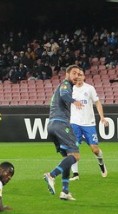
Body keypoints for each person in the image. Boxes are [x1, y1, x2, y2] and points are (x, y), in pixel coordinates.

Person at [43, 64, 83, 201]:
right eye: (74, 73)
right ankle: (52, 175)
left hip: (52, 125)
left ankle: (65, 191)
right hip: (61, 124)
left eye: (78, 74)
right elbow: (64, 94)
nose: (77, 76)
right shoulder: (65, 84)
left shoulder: (65, 85)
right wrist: (74, 101)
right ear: (67, 74)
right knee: (76, 156)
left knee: (68, 158)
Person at [69, 69, 108, 181]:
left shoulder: (89, 88)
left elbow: (97, 102)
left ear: (84, 77)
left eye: (81, 74)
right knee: (73, 149)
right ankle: (75, 174)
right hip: (75, 123)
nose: (79, 77)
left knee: (95, 149)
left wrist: (102, 117)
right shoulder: (71, 89)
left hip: (88, 123)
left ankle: (101, 164)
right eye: (76, 75)